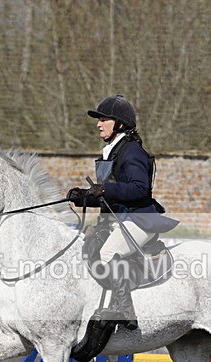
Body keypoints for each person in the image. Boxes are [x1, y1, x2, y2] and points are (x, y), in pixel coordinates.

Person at [67, 94, 178, 330]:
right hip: (119, 219)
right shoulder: (112, 152)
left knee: (108, 253)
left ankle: (124, 308)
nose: (98, 124)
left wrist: (105, 188)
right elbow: (110, 197)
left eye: (103, 119)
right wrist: (83, 197)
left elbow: (140, 190)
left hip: (140, 219)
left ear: (119, 123)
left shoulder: (131, 152)